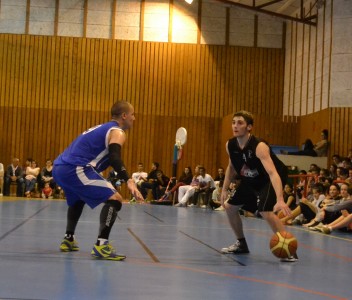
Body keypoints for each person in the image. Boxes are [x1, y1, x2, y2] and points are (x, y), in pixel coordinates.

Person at [53, 100, 143, 261]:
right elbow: (115, 157)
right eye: (133, 114)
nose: (134, 118)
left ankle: (68, 239)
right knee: (115, 199)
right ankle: (102, 245)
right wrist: (129, 180)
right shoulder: (118, 131)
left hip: (60, 167)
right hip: (76, 168)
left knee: (77, 200)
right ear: (124, 115)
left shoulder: (102, 128)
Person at [220, 110, 297, 262]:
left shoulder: (259, 146)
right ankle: (241, 244)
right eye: (233, 122)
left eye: (240, 123)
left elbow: (273, 173)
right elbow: (231, 167)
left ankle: (290, 249)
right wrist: (224, 189)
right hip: (251, 179)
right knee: (230, 207)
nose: (235, 126)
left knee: (266, 211)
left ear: (249, 127)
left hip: (270, 178)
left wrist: (280, 199)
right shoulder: (230, 145)